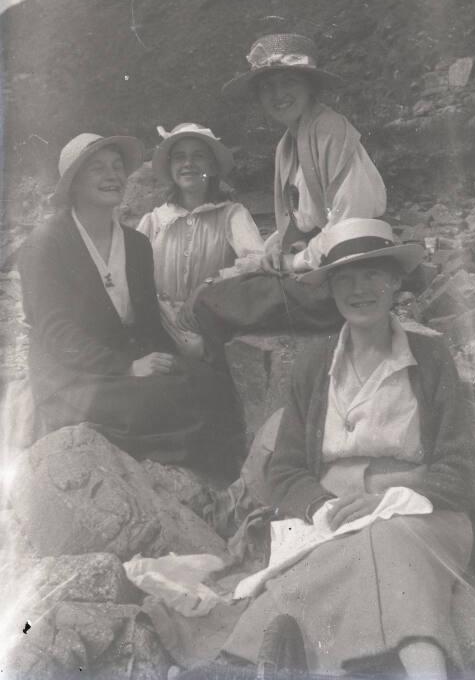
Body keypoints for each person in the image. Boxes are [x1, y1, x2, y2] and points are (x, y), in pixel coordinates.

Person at [221, 218, 475, 678]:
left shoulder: (431, 357)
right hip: (334, 516)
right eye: (345, 279)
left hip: (421, 512)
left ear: (396, 282)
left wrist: (389, 501)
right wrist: (323, 506)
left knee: (388, 539)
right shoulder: (313, 363)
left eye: (372, 275)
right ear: (331, 289)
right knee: (329, 564)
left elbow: (460, 466)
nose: (359, 290)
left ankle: (425, 669)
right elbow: (285, 470)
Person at [18, 132, 240, 472]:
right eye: (97, 169)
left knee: (209, 384)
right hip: (71, 376)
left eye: (117, 166)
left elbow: (148, 322)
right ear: (74, 183)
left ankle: (223, 487)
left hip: (123, 361)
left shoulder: (136, 244)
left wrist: (177, 359)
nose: (112, 175)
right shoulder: (46, 244)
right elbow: (55, 332)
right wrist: (125, 368)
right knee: (165, 404)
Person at [192, 33, 388, 353]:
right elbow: (299, 221)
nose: (278, 94)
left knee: (211, 301)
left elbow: (351, 226)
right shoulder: (288, 144)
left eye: (289, 82)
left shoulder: (330, 131)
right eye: (267, 87)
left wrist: (293, 260)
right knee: (219, 290)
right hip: (321, 266)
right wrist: (277, 249)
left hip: (352, 272)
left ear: (310, 86)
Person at [137, 122, 264, 359]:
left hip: (212, 327)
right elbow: (132, 277)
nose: (188, 164)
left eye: (198, 156)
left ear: (213, 167)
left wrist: (210, 284)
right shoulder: (154, 221)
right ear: (170, 168)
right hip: (159, 331)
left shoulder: (231, 214)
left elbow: (257, 261)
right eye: (179, 157)